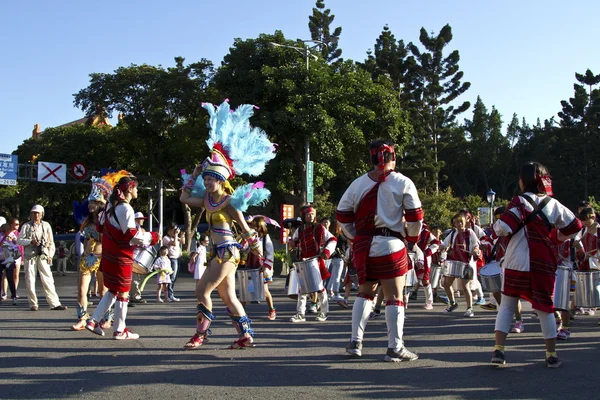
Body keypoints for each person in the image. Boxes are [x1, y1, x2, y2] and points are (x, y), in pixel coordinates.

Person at [179, 99, 275, 349]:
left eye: (212, 179)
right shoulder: (207, 201)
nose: (208, 183)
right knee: (227, 295)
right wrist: (195, 174)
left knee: (201, 291)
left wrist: (263, 263)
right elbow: (184, 198)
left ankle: (200, 334)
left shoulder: (229, 203)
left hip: (228, 253)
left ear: (222, 181)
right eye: (207, 178)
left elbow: (247, 231)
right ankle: (245, 336)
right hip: (216, 253)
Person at [336, 138, 423, 362]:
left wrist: (355, 237)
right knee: (395, 296)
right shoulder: (403, 182)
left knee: (365, 293)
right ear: (392, 157)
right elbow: (414, 217)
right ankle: (395, 347)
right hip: (391, 245)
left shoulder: (357, 184)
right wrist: (412, 239)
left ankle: (355, 342)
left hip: (364, 247)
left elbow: (343, 215)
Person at [490, 162, 581, 368]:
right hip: (542, 263)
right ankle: (551, 354)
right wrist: (556, 237)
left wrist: (496, 225)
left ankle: (499, 350)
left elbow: (502, 228)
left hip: (516, 262)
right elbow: (575, 226)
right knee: (545, 308)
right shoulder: (553, 204)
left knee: (507, 306)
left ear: (523, 180)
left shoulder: (519, 202)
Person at [85, 172, 159, 339]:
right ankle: (120, 330)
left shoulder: (110, 208)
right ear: (130, 189)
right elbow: (131, 235)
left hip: (110, 254)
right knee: (123, 292)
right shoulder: (125, 208)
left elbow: (100, 228)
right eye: (136, 189)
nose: (137, 192)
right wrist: (152, 237)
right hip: (120, 256)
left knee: (113, 290)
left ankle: (93, 320)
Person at [71, 173, 116, 330]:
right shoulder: (86, 221)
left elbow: (109, 240)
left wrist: (98, 235)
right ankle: (82, 319)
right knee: (82, 290)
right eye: (90, 201)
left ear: (101, 204)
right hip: (86, 258)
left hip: (102, 257)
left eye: (94, 202)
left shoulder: (107, 221)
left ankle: (107, 319)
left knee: (104, 292)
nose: (90, 204)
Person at [288, 205, 337, 323]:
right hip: (303, 261)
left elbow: (332, 239)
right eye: (308, 214)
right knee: (302, 289)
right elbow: (293, 241)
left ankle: (324, 312)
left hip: (316, 261)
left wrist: (326, 251)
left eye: (312, 214)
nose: (311, 216)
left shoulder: (319, 228)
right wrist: (292, 243)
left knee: (319, 288)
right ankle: (300, 314)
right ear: (303, 216)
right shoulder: (300, 230)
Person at [17, 205, 67, 311]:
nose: (36, 215)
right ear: (31, 214)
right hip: (30, 256)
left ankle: (54, 303)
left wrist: (50, 255)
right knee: (30, 279)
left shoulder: (46, 225)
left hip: (43, 255)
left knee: (48, 279)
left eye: (38, 213)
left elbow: (51, 242)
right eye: (34, 213)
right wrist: (30, 241)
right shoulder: (26, 226)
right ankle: (33, 304)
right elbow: (19, 240)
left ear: (42, 214)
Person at [440, 213, 481, 317]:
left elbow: (476, 245)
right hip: (453, 262)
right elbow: (445, 243)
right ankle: (453, 303)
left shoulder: (470, 232)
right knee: (446, 285)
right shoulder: (453, 233)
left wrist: (475, 250)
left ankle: (469, 309)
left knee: (465, 287)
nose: (459, 224)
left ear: (465, 222)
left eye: (460, 222)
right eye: (456, 222)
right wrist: (441, 247)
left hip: (465, 263)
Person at [245, 216, 277, 320]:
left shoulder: (266, 238)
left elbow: (270, 253)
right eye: (253, 226)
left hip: (261, 266)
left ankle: (272, 310)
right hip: (251, 264)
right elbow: (245, 250)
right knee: (248, 289)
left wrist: (266, 265)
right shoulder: (251, 237)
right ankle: (239, 312)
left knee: (264, 290)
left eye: (257, 226)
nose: (255, 228)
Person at [409, 223, 441, 310]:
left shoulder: (426, 232)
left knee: (425, 281)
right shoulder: (408, 229)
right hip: (410, 257)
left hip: (424, 260)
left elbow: (436, 243)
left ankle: (429, 302)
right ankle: (403, 302)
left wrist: (427, 252)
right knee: (407, 281)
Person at [130, 211, 150, 304]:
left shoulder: (142, 230)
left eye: (143, 219)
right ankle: (134, 296)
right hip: (134, 256)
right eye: (140, 219)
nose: (142, 221)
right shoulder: (133, 228)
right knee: (134, 277)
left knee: (140, 277)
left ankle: (135, 295)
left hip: (142, 257)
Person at [163, 222, 184, 302]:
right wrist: (176, 235)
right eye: (174, 230)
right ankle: (170, 295)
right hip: (172, 258)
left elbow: (182, 242)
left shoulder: (174, 236)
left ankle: (170, 294)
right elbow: (175, 244)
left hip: (177, 257)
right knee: (172, 277)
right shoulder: (166, 238)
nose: (175, 231)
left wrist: (182, 235)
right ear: (169, 230)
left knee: (174, 278)